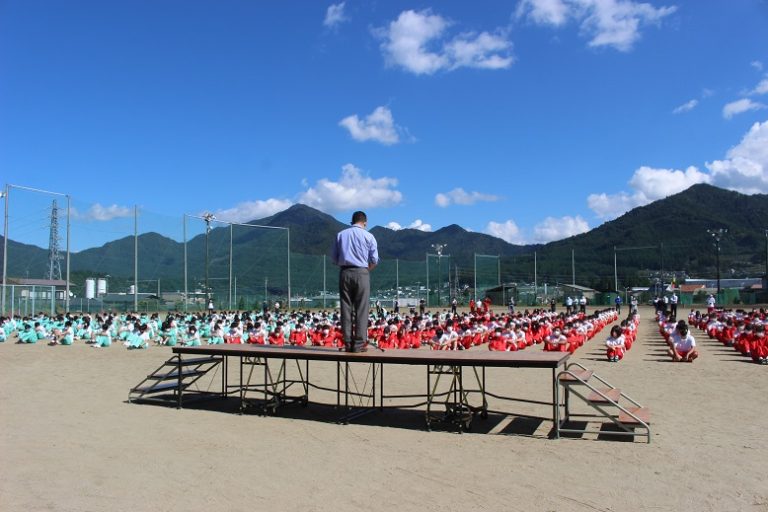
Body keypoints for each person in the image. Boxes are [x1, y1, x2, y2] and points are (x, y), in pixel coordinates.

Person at [331, 211, 379, 353]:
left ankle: (347, 342)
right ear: (365, 222)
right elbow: (374, 260)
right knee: (361, 309)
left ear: (351, 222)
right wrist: (366, 270)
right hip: (362, 272)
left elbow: (334, 259)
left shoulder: (340, 235)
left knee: (346, 308)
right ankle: (358, 345)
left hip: (345, 271)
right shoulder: (369, 236)